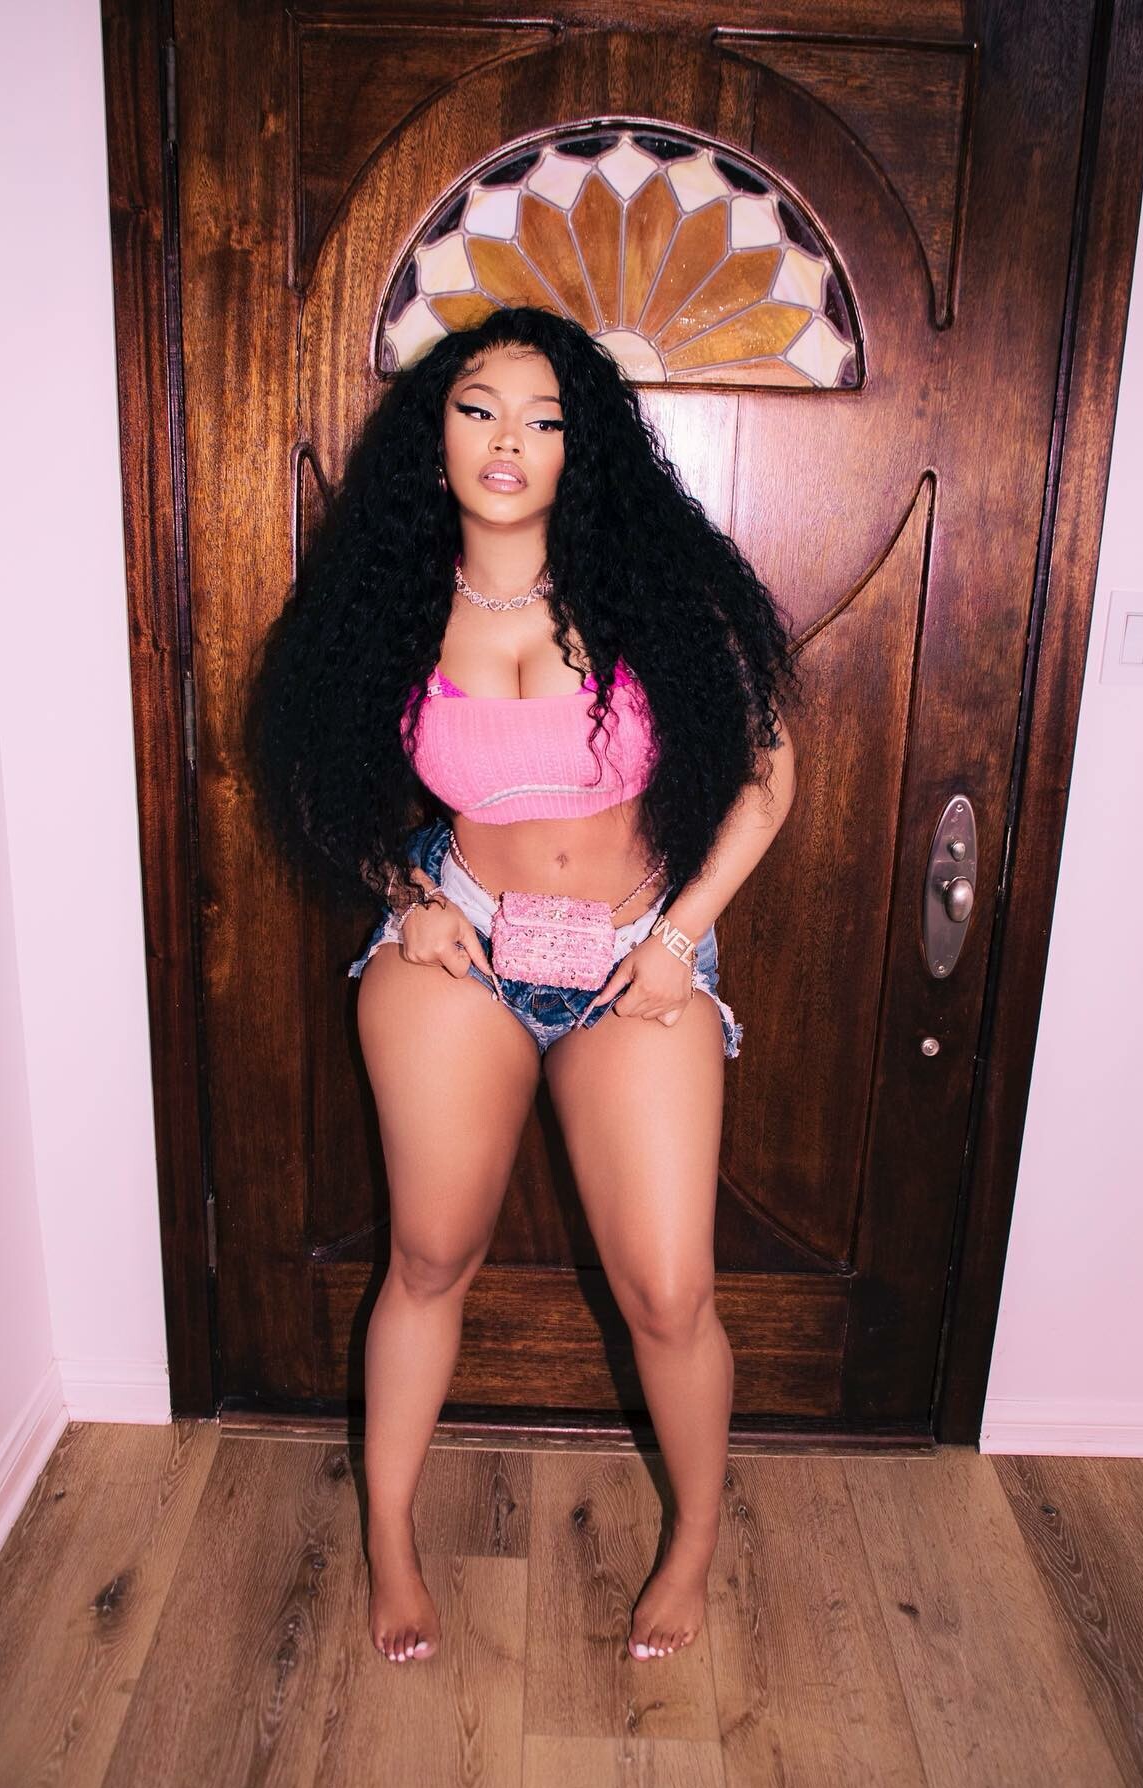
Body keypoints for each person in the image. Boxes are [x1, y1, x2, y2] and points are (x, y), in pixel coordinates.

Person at [246, 304, 801, 1668]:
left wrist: (680, 937)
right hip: (468, 946)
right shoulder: (386, 600)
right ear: (434, 435)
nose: (509, 440)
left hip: (636, 953)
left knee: (667, 1289)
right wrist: (407, 897)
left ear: (579, 448)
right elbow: (313, 773)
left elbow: (767, 773)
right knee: (430, 1255)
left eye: (545, 418)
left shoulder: (648, 589)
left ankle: (695, 1541)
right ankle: (389, 1537)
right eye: (479, 407)